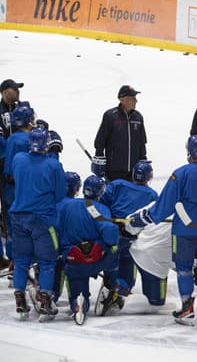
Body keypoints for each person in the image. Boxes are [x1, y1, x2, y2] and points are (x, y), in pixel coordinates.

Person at [126, 134, 197, 326]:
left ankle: (187, 307)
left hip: (184, 230)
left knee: (184, 268)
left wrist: (143, 218)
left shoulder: (180, 173)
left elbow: (164, 205)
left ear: (189, 152)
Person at [10, 128, 66, 322]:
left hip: (18, 217)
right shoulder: (53, 166)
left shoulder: (18, 159)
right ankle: (45, 300)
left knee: (21, 260)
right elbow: (60, 194)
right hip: (43, 220)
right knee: (47, 262)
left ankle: (19, 296)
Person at [99, 160, 161, 309]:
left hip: (110, 235)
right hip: (132, 239)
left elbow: (102, 203)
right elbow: (155, 219)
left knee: (112, 263)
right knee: (127, 269)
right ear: (149, 177)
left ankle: (110, 287)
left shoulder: (117, 184)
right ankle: (118, 290)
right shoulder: (152, 195)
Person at [58, 175, 120, 325]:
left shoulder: (67, 206)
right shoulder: (97, 208)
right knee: (115, 251)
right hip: (96, 259)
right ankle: (110, 286)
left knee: (78, 289)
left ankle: (79, 304)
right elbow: (109, 229)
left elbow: (58, 230)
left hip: (74, 260)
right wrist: (113, 242)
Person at [93, 85, 147, 181]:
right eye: (133, 98)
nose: (136, 101)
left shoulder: (138, 117)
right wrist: (99, 160)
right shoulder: (110, 116)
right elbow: (100, 140)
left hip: (134, 172)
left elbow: (141, 142)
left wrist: (143, 160)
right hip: (114, 171)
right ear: (122, 100)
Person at [0, 79, 24, 268]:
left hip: (16, 169)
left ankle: (16, 255)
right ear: (4, 92)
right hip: (3, 166)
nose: (17, 92)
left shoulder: (23, 109)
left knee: (13, 211)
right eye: (14, 89)